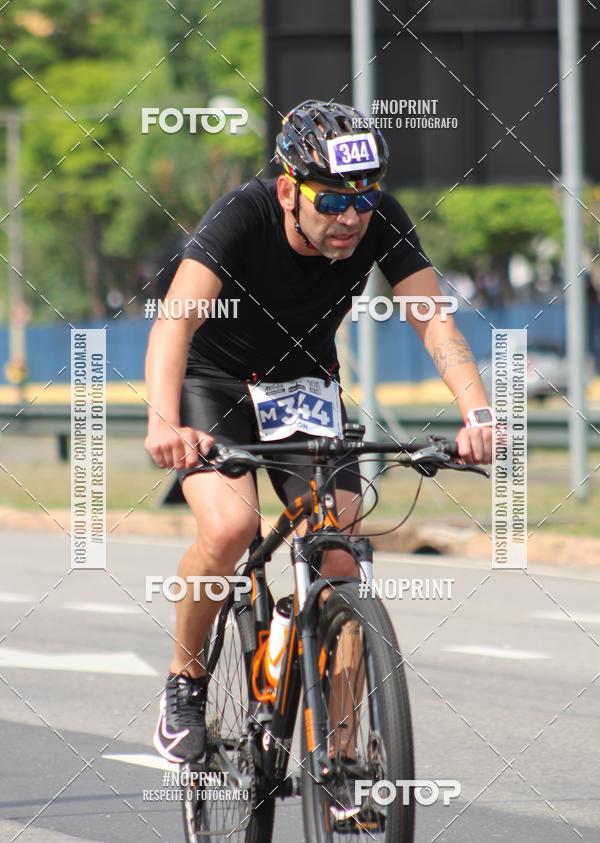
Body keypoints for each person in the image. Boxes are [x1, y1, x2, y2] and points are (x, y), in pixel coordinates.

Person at [144, 99, 493, 769]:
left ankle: (343, 753)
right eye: (331, 201)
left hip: (302, 388)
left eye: (364, 199)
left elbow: (433, 319)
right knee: (231, 528)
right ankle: (184, 683)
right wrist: (165, 423)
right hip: (215, 383)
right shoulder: (243, 214)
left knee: (340, 552)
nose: (350, 218)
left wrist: (477, 414)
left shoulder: (378, 219)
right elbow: (174, 322)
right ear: (288, 192)